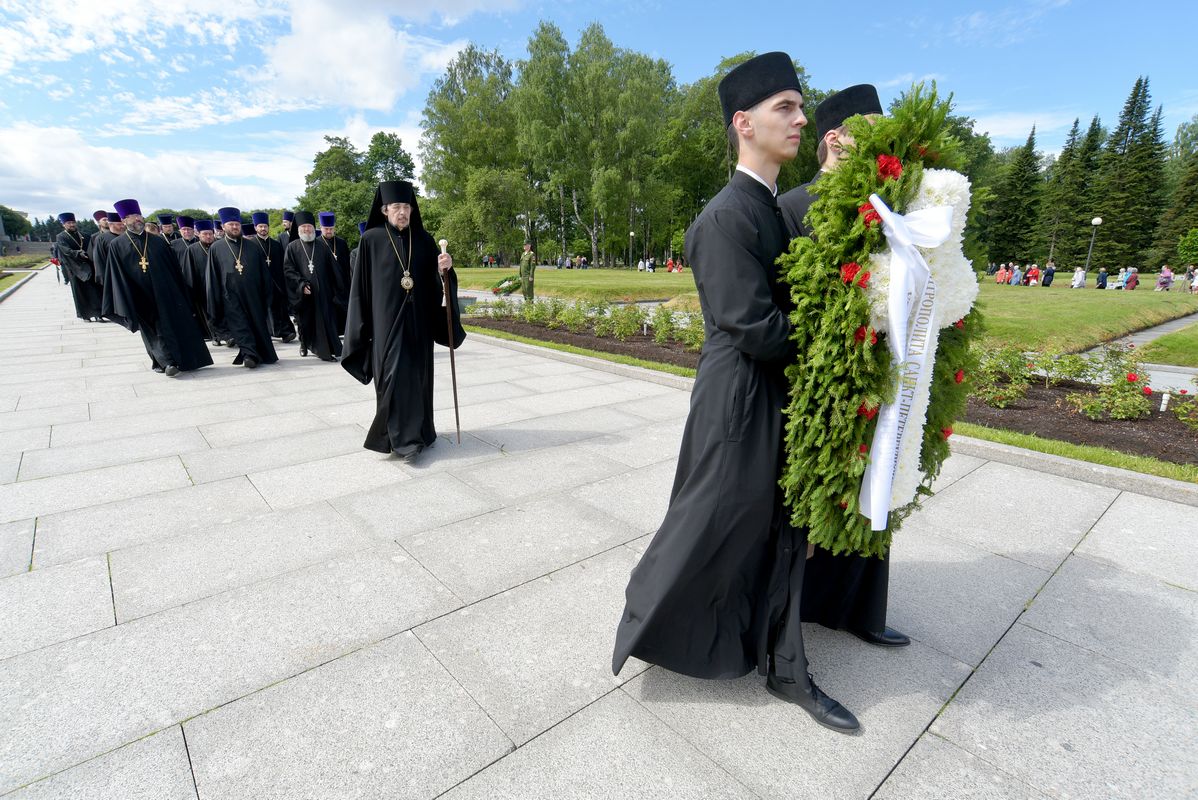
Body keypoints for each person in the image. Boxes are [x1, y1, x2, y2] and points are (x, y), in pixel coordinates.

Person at [612, 53, 858, 733]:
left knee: (778, 526)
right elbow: (753, 324)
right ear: (743, 123)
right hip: (740, 401)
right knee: (713, 521)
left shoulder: (771, 208)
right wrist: (842, 334)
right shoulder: (726, 217)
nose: (802, 119)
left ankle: (783, 661)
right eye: (787, 107)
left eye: (802, 108)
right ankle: (649, 617)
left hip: (770, 392)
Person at [778, 82, 911, 662]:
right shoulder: (792, 206)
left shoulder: (886, 204)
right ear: (835, 137)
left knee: (872, 479)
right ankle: (796, 609)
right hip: (815, 374)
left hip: (877, 364)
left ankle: (859, 611)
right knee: (812, 492)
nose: (884, 145)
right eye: (870, 132)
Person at [341, 179, 465, 460]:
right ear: (385, 210)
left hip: (418, 323)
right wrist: (360, 331)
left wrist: (445, 269)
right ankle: (399, 440)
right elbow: (360, 290)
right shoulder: (370, 239)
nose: (402, 212)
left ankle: (420, 434)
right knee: (392, 378)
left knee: (419, 377)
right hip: (385, 326)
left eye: (407, 206)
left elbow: (438, 284)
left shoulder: (423, 240)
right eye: (396, 207)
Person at [103, 198, 212, 376]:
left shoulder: (158, 242)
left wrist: (181, 293)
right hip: (139, 296)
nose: (137, 219)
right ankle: (166, 362)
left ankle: (172, 361)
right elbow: (116, 275)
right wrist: (125, 299)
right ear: (124, 221)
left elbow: (174, 270)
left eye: (139, 215)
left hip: (166, 293)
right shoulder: (116, 245)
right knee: (152, 330)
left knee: (168, 328)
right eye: (132, 216)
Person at [206, 207, 278, 369]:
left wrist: (266, 294)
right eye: (231, 224)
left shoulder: (252, 246)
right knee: (240, 325)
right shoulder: (216, 248)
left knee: (257, 324)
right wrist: (215, 299)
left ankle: (261, 352)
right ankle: (249, 355)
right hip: (230, 297)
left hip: (254, 295)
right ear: (223, 227)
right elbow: (213, 276)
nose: (234, 227)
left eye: (237, 224)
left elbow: (264, 273)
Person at [284, 211, 345, 361]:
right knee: (305, 322)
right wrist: (301, 284)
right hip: (304, 293)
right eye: (304, 227)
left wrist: (339, 289)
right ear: (299, 229)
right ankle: (304, 344)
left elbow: (334, 269)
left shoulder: (322, 245)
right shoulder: (292, 247)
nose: (307, 230)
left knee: (326, 321)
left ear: (314, 228)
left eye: (309, 227)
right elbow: (288, 270)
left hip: (324, 293)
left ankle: (326, 350)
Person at [249, 211, 296, 343]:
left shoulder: (276, 244)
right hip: (260, 283)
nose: (263, 229)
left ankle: (286, 332)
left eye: (265, 226)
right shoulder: (250, 245)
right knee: (265, 309)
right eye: (260, 226)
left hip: (277, 282)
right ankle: (270, 332)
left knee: (280, 308)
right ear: (255, 227)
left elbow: (283, 263)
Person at [55, 213, 103, 321]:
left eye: (73, 222)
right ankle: (85, 315)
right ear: (64, 225)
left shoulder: (85, 235)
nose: (72, 225)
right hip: (74, 268)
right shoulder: (61, 237)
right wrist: (78, 253)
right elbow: (65, 250)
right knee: (80, 293)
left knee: (94, 291)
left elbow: (92, 248)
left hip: (88, 266)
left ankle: (98, 313)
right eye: (69, 223)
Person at [182, 220, 217, 341]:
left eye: (210, 234)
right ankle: (215, 336)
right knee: (208, 314)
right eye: (205, 234)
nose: (208, 236)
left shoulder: (219, 246)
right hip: (203, 289)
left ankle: (226, 335)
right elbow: (188, 272)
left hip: (221, 288)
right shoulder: (192, 250)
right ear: (198, 234)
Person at [318, 211, 352, 330]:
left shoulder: (341, 243)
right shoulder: (317, 243)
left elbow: (347, 264)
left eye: (331, 229)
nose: (328, 231)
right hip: (326, 283)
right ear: (321, 228)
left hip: (342, 282)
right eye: (326, 229)